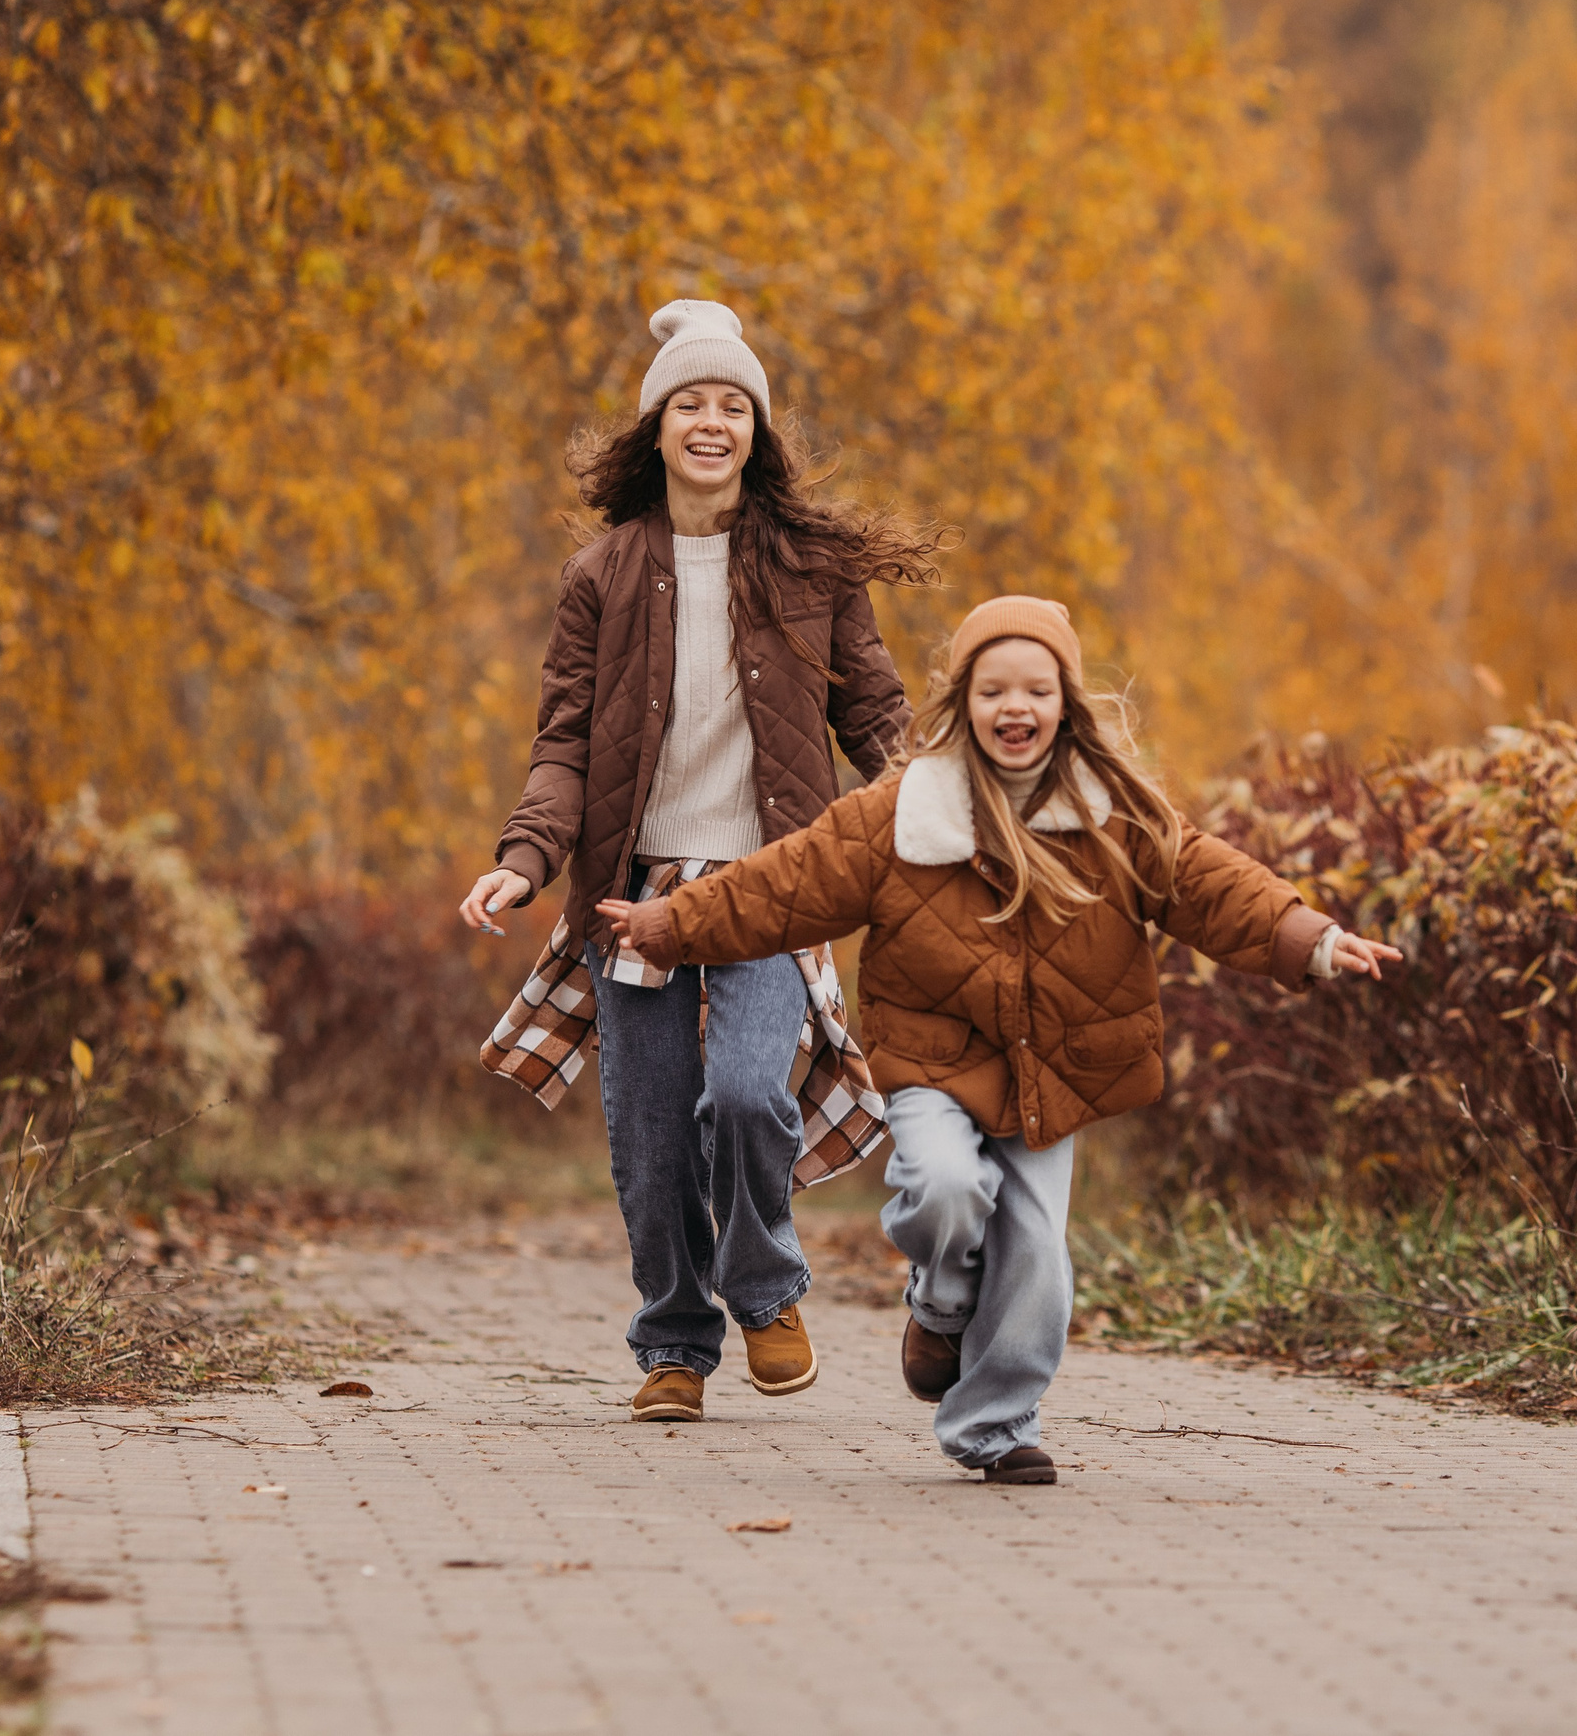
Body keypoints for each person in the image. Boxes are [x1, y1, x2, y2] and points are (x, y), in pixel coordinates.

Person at [597, 595, 1402, 1480]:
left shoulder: (1114, 814)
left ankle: (995, 1427)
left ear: (1065, 704)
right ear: (963, 704)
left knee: (1037, 1265)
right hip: (936, 1063)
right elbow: (782, 886)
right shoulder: (904, 814)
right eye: (993, 690)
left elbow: (1208, 884)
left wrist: (1311, 938)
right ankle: (939, 1305)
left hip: (1057, 1069)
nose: (1014, 707)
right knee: (943, 1188)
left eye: (1036, 689)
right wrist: (669, 923)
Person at [468, 300, 944, 1424]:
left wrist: (939, 809)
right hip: (634, 894)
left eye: (733, 404)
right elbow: (565, 744)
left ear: (757, 431)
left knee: (742, 1094)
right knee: (647, 1129)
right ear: (658, 426)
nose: (713, 421)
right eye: (692, 402)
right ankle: (673, 1342)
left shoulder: (813, 568)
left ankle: (765, 1286)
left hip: (771, 884)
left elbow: (874, 712)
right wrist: (526, 858)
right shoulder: (603, 574)